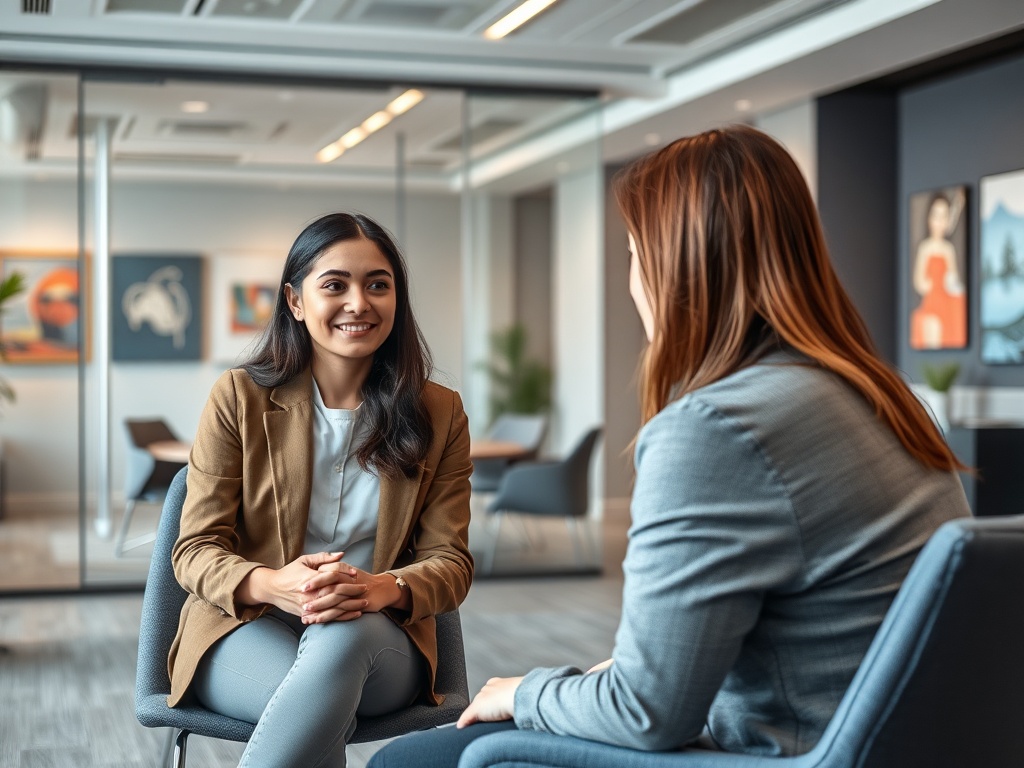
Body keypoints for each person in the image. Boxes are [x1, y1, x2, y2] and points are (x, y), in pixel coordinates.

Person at [368, 125, 971, 766]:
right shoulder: (891, 401)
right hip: (900, 742)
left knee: (407, 762)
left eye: (632, 252)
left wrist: (530, 691)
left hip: (794, 754)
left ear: (674, 267)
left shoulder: (717, 430)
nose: (632, 281)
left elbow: (646, 712)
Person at [167, 212, 474, 768]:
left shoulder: (439, 413)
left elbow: (450, 563)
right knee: (316, 705)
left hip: (376, 638)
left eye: (378, 285)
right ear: (295, 301)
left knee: (338, 645)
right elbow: (192, 552)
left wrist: (383, 588)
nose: (359, 302)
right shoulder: (238, 398)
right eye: (335, 284)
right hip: (246, 625)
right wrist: (271, 584)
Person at [910, 189, 967, 348]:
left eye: (944, 217)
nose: (939, 222)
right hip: (931, 303)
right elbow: (919, 282)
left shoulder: (948, 249)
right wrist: (927, 284)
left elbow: (953, 278)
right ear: (929, 218)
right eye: (936, 216)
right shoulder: (924, 248)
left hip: (947, 300)